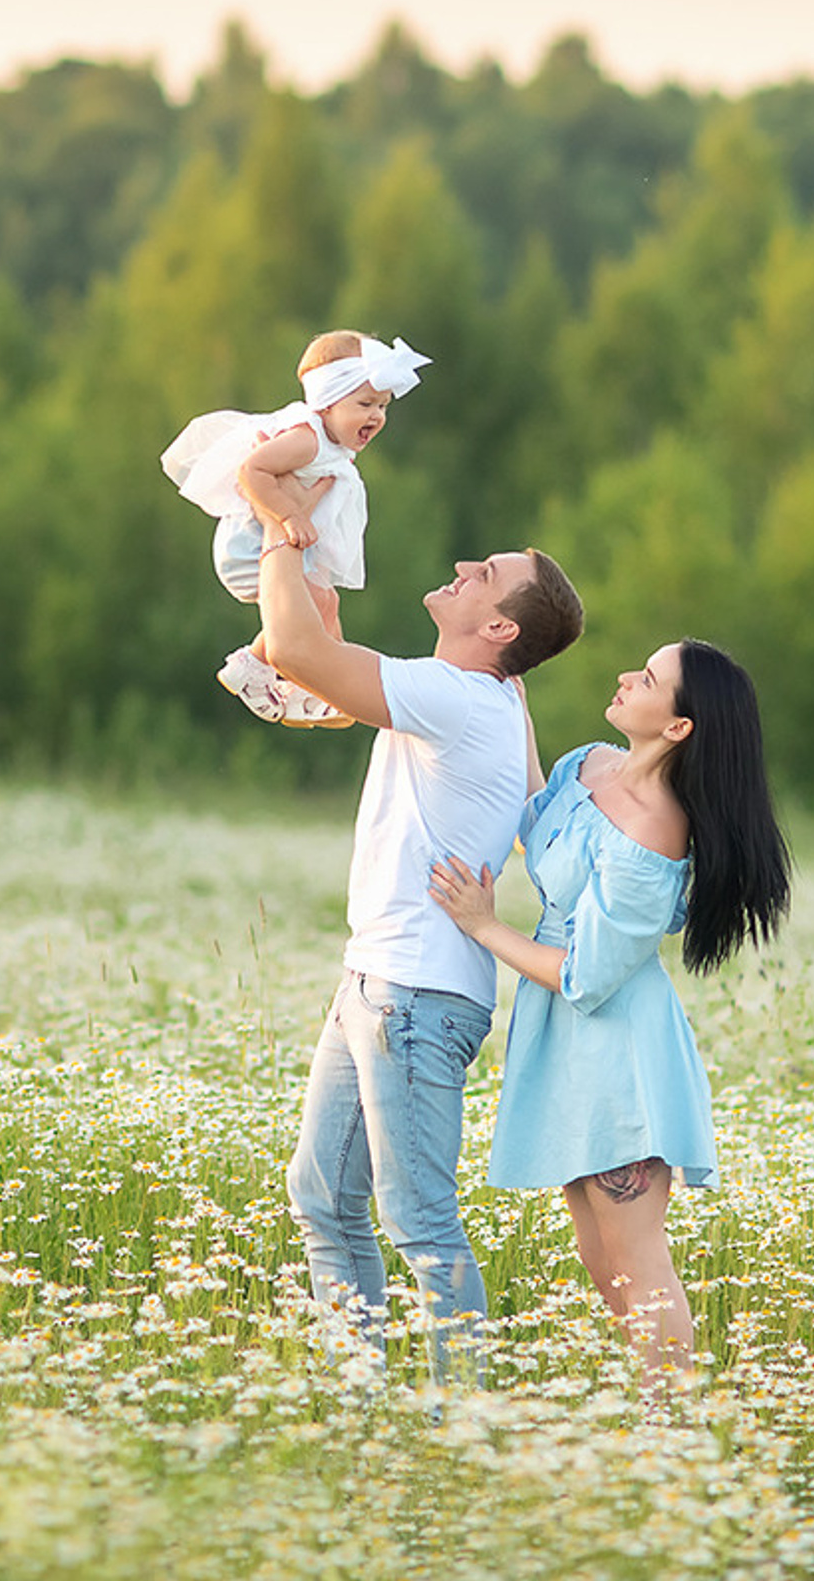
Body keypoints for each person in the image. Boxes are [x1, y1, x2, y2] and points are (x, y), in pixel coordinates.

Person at [242, 465, 584, 1383]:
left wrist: (279, 525)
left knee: (420, 1222)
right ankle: (361, 1406)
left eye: (487, 572)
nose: (467, 563)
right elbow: (310, 650)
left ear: (500, 628)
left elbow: (295, 650)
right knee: (321, 1200)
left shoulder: (465, 700)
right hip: (378, 982)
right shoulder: (486, 697)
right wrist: (305, 548)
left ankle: (456, 1426)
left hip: (416, 997)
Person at [428, 639, 791, 1389]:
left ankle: (671, 1425)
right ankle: (653, 1408)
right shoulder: (590, 764)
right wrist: (510, 706)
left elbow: (587, 977)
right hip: (568, 1047)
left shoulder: (654, 831)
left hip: (617, 1049)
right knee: (598, 1252)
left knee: (634, 1254)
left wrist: (485, 926)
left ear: (680, 727)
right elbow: (539, 819)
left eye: (650, 679)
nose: (627, 677)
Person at [160, 330, 430, 727]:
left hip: (285, 545)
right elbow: (251, 470)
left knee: (326, 604)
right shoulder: (307, 439)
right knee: (316, 605)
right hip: (252, 546)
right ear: (327, 403)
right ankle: (257, 667)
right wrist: (289, 515)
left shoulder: (329, 442)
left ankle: (317, 687)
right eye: (365, 404)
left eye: (383, 406)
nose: (377, 416)